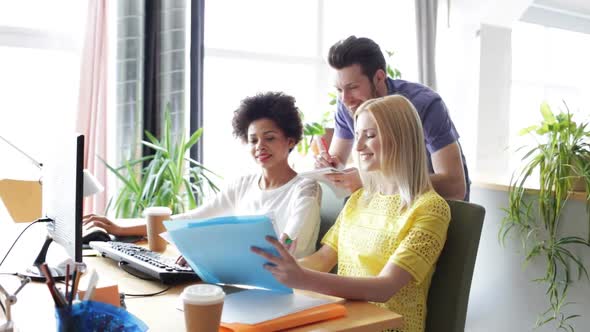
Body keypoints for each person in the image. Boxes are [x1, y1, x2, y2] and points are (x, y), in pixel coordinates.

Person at [252, 95, 451, 332]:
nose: (357, 147)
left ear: (401, 138)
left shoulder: (430, 209)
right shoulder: (359, 199)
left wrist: (301, 277)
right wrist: (277, 267)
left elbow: (385, 287)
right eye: (357, 135)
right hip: (346, 322)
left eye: (370, 135)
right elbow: (323, 259)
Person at [84, 92, 322, 258]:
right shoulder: (243, 185)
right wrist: (120, 229)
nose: (260, 146)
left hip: (291, 288)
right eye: (253, 140)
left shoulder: (305, 187)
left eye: (269, 138)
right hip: (243, 280)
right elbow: (190, 219)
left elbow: (288, 243)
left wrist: (214, 255)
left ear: (290, 141)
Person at [316, 36, 470, 201]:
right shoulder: (347, 105)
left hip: (438, 208)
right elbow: (337, 161)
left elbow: (454, 187)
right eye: (339, 90)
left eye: (353, 87)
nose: (345, 99)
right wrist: (330, 167)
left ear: (380, 77)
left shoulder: (425, 105)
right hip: (388, 207)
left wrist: (371, 182)